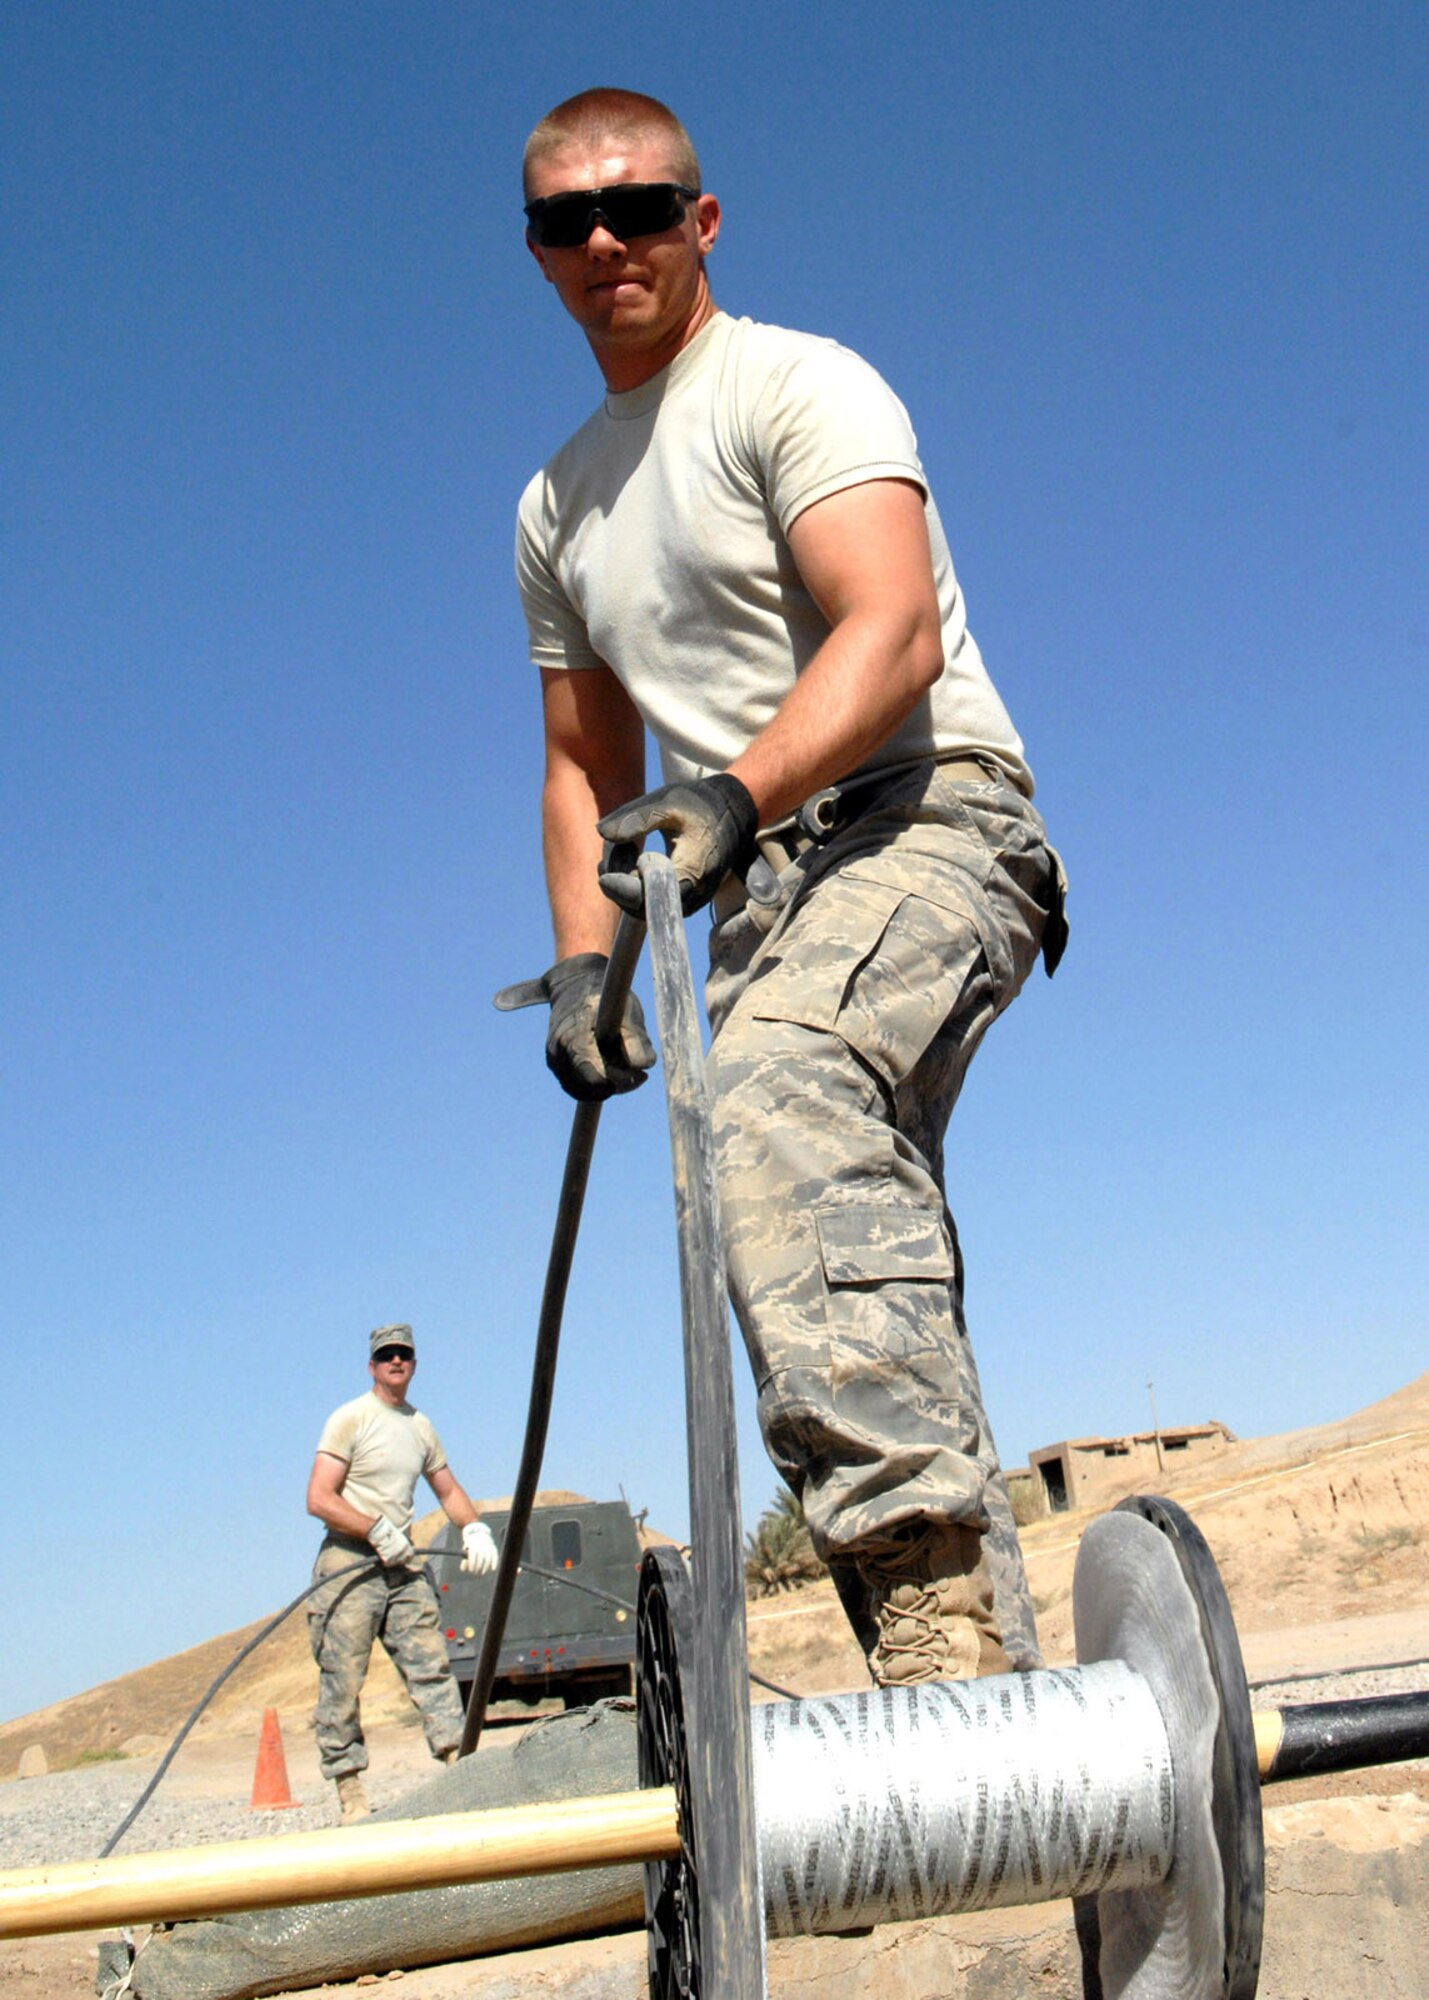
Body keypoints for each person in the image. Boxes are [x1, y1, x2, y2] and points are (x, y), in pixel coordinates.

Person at [515, 90, 1067, 1687]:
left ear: (702, 220)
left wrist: (733, 792)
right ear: (537, 253)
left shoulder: (795, 384)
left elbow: (889, 631)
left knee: (776, 1095)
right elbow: (579, 762)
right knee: (789, 1213)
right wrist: (580, 965)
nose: (606, 239)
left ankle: (929, 1626)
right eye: (566, 219)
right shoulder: (555, 508)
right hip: (755, 892)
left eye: (639, 206)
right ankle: (1004, 1720)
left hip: (929, 818)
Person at [305, 1323, 498, 1821]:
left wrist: (474, 1528)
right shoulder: (350, 1419)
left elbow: (447, 1489)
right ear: (372, 1366)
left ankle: (459, 1769)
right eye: (387, 1354)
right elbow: (319, 1498)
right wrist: (372, 1527)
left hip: (402, 1561)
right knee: (343, 1676)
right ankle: (350, 1791)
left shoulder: (419, 1427)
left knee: (432, 1664)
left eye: (404, 1354)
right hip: (349, 1561)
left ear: (414, 1365)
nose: (396, 1361)